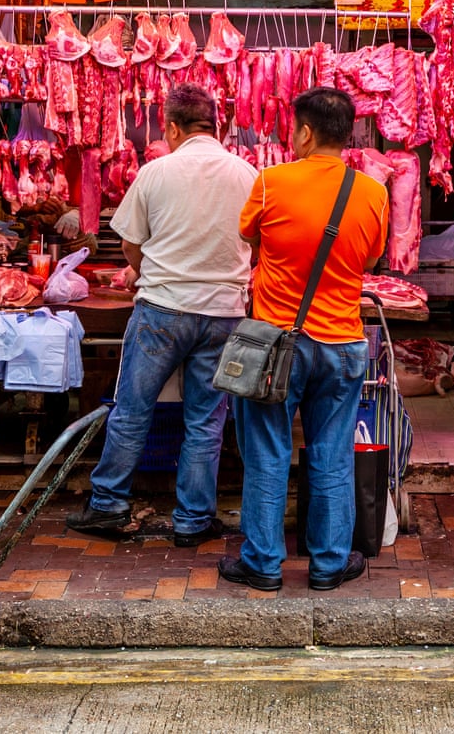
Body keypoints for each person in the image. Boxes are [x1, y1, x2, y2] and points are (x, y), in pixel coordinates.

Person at [67, 84, 258, 547]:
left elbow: (130, 241)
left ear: (172, 127)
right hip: (223, 314)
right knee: (205, 420)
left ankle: (109, 506)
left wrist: (146, 267)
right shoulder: (249, 174)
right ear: (216, 124)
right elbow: (257, 243)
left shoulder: (156, 172)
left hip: (162, 310)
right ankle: (193, 521)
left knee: (133, 411)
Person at [219, 87, 388, 592]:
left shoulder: (271, 183)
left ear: (306, 132)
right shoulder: (373, 192)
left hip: (276, 345)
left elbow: (250, 237)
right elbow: (371, 260)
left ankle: (264, 564)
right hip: (342, 343)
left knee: (267, 453)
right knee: (331, 455)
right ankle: (329, 564)